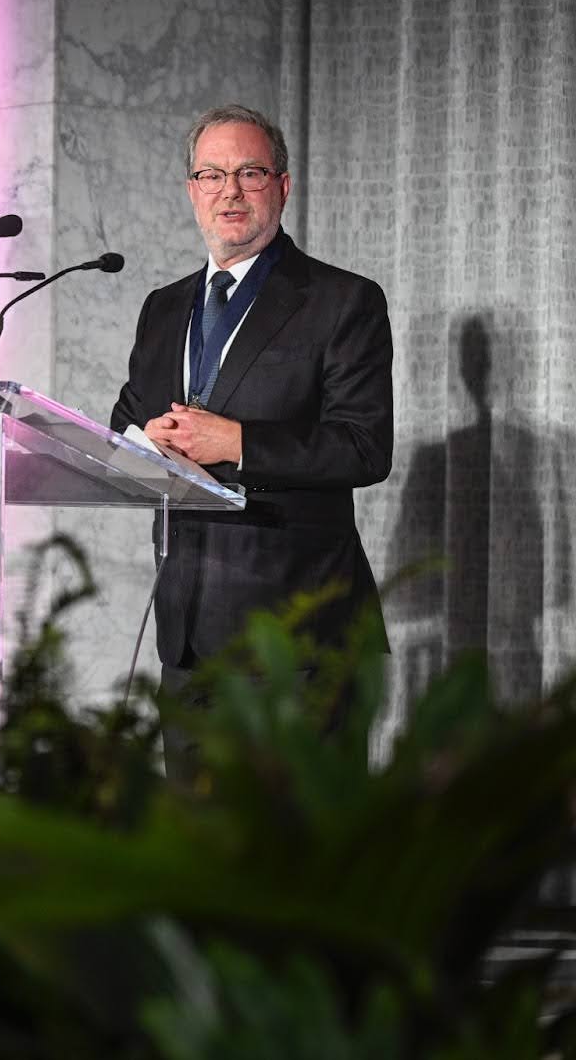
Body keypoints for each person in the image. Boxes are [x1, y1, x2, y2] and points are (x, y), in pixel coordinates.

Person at [108, 104, 393, 779]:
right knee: (197, 840)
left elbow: (364, 447)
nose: (230, 191)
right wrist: (144, 439)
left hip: (298, 639)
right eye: (211, 175)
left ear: (283, 186)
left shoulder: (341, 300)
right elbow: (123, 420)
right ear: (191, 191)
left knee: (300, 843)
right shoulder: (163, 307)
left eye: (250, 173)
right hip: (188, 638)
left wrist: (237, 441)